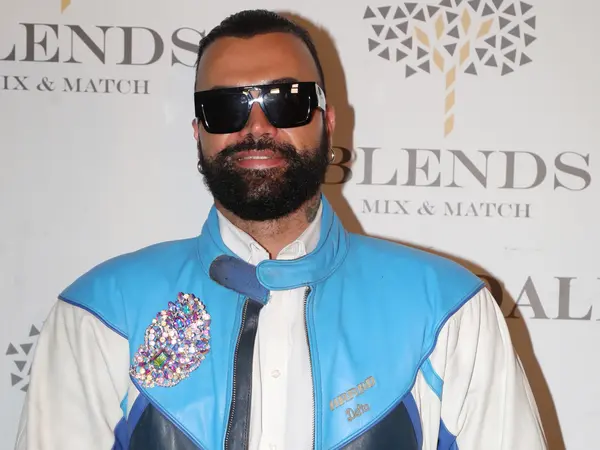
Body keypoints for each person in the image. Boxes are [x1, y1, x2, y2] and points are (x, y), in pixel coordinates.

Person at [15, 9, 547, 450]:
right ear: (198, 131)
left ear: (327, 121)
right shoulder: (101, 315)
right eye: (226, 107)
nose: (257, 127)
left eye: (286, 100)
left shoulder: (447, 312)